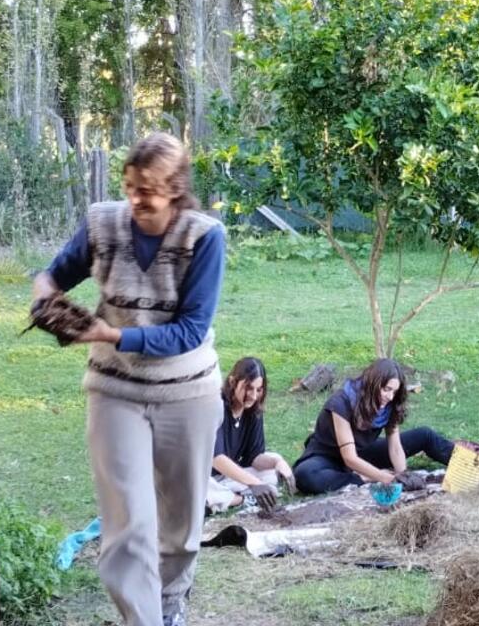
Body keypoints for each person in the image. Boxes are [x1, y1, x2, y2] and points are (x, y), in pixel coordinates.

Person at [31, 132, 225, 626]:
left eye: (149, 190)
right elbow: (54, 274)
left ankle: (170, 603)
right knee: (128, 524)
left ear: (176, 189)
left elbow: (189, 331)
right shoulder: (104, 223)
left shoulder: (204, 237)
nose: (136, 199)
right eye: (131, 187)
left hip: (188, 392)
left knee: (181, 526)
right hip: (115, 390)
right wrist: (43, 294)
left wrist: (111, 334)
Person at [293, 358, 455, 495]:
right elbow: (349, 457)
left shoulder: (390, 403)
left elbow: (395, 447)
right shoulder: (340, 403)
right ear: (373, 384)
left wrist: (403, 476)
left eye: (394, 391)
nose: (390, 396)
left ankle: (466, 465)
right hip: (328, 457)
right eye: (386, 389)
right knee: (305, 475)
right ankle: (360, 477)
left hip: (363, 452)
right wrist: (385, 478)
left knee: (424, 435)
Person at [207, 356, 295, 513]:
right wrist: (254, 484)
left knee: (272, 470)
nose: (253, 396)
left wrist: (278, 463)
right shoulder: (215, 406)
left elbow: (254, 457)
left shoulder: (253, 410)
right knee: (199, 488)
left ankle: (226, 498)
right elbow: (216, 459)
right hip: (203, 476)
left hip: (227, 478)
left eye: (259, 390)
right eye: (248, 388)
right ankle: (241, 499)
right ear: (233, 382)